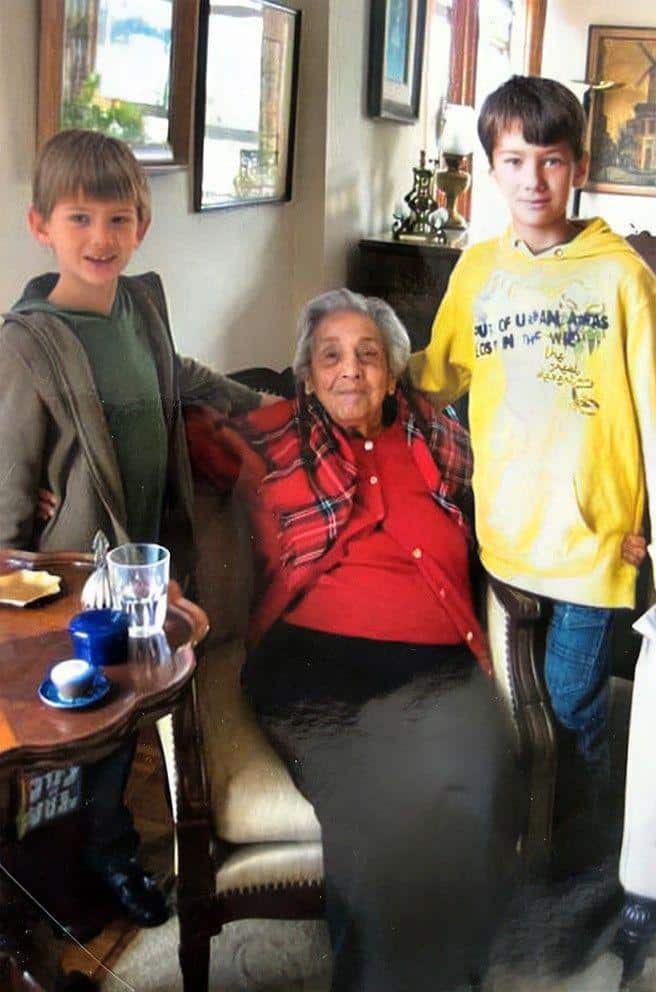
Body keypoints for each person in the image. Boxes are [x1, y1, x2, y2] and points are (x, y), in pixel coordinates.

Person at [184, 289, 523, 992]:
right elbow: (174, 427)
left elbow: (520, 470)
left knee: (475, 785)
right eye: (330, 356)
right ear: (307, 376)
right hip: (316, 659)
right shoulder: (273, 435)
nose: (350, 370)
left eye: (368, 355)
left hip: (438, 663)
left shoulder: (439, 440)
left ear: (394, 374)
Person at [0, 129, 261, 937]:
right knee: (73, 723)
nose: (101, 237)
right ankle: (53, 878)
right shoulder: (27, 342)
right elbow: (10, 487)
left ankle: (111, 850)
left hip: (146, 568)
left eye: (118, 219)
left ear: (142, 225)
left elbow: (178, 376)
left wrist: (270, 407)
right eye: (80, 219)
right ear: (42, 225)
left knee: (124, 717)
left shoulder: (140, 305)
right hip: (68, 585)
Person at [411, 75, 656, 822]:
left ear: (579, 166)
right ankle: (540, 827)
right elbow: (438, 374)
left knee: (574, 697)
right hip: (506, 533)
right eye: (515, 161)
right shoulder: (478, 270)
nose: (533, 180)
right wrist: (361, 369)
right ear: (491, 168)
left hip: (594, 539)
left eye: (551, 160)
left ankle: (590, 839)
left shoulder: (623, 277)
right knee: (523, 701)